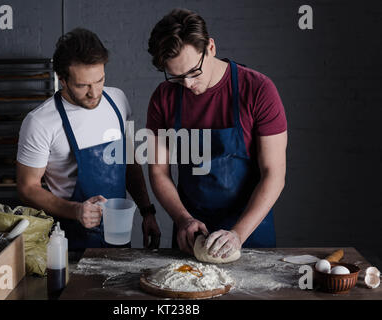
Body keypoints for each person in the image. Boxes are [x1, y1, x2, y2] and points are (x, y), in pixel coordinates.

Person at [146, 9, 287, 259]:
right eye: (177, 77)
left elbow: (274, 174)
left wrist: (238, 234)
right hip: (191, 231)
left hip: (250, 231)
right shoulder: (163, 98)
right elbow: (158, 171)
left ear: (210, 48)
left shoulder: (258, 90)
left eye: (193, 72)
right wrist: (183, 219)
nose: (187, 85)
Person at [16, 28, 160, 251]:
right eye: (83, 86)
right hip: (70, 243)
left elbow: (129, 162)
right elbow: (27, 187)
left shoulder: (117, 100)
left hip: (118, 238)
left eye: (99, 80)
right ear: (62, 80)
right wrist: (75, 210)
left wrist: (147, 211)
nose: (94, 94)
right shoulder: (40, 122)